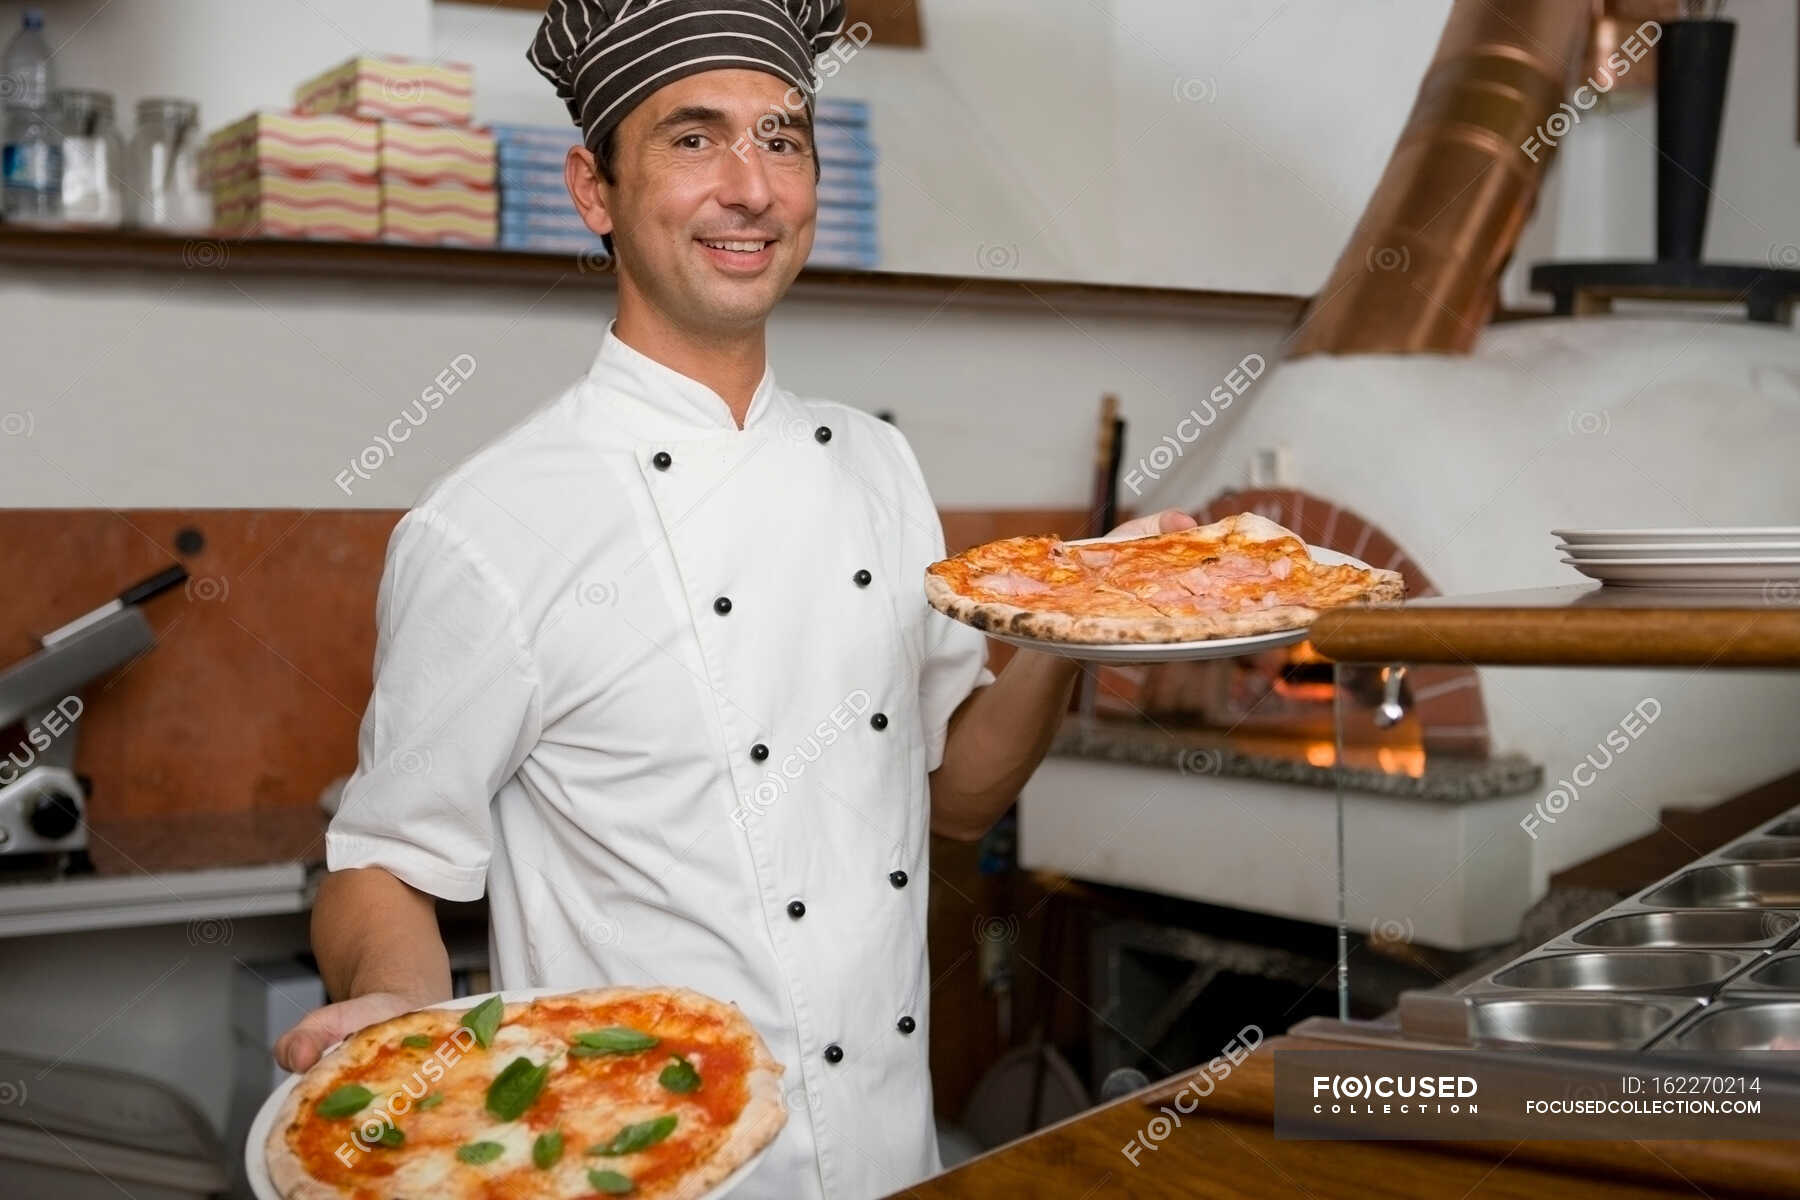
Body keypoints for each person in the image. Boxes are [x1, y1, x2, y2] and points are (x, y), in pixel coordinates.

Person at [273, 2, 1195, 1195]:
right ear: (594, 190)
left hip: (892, 1156)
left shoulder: (878, 465)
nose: (751, 188)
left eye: (783, 138)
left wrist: (1082, 619)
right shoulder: (489, 523)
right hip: (646, 1162)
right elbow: (383, 864)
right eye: (694, 139)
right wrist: (400, 1009)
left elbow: (958, 795)